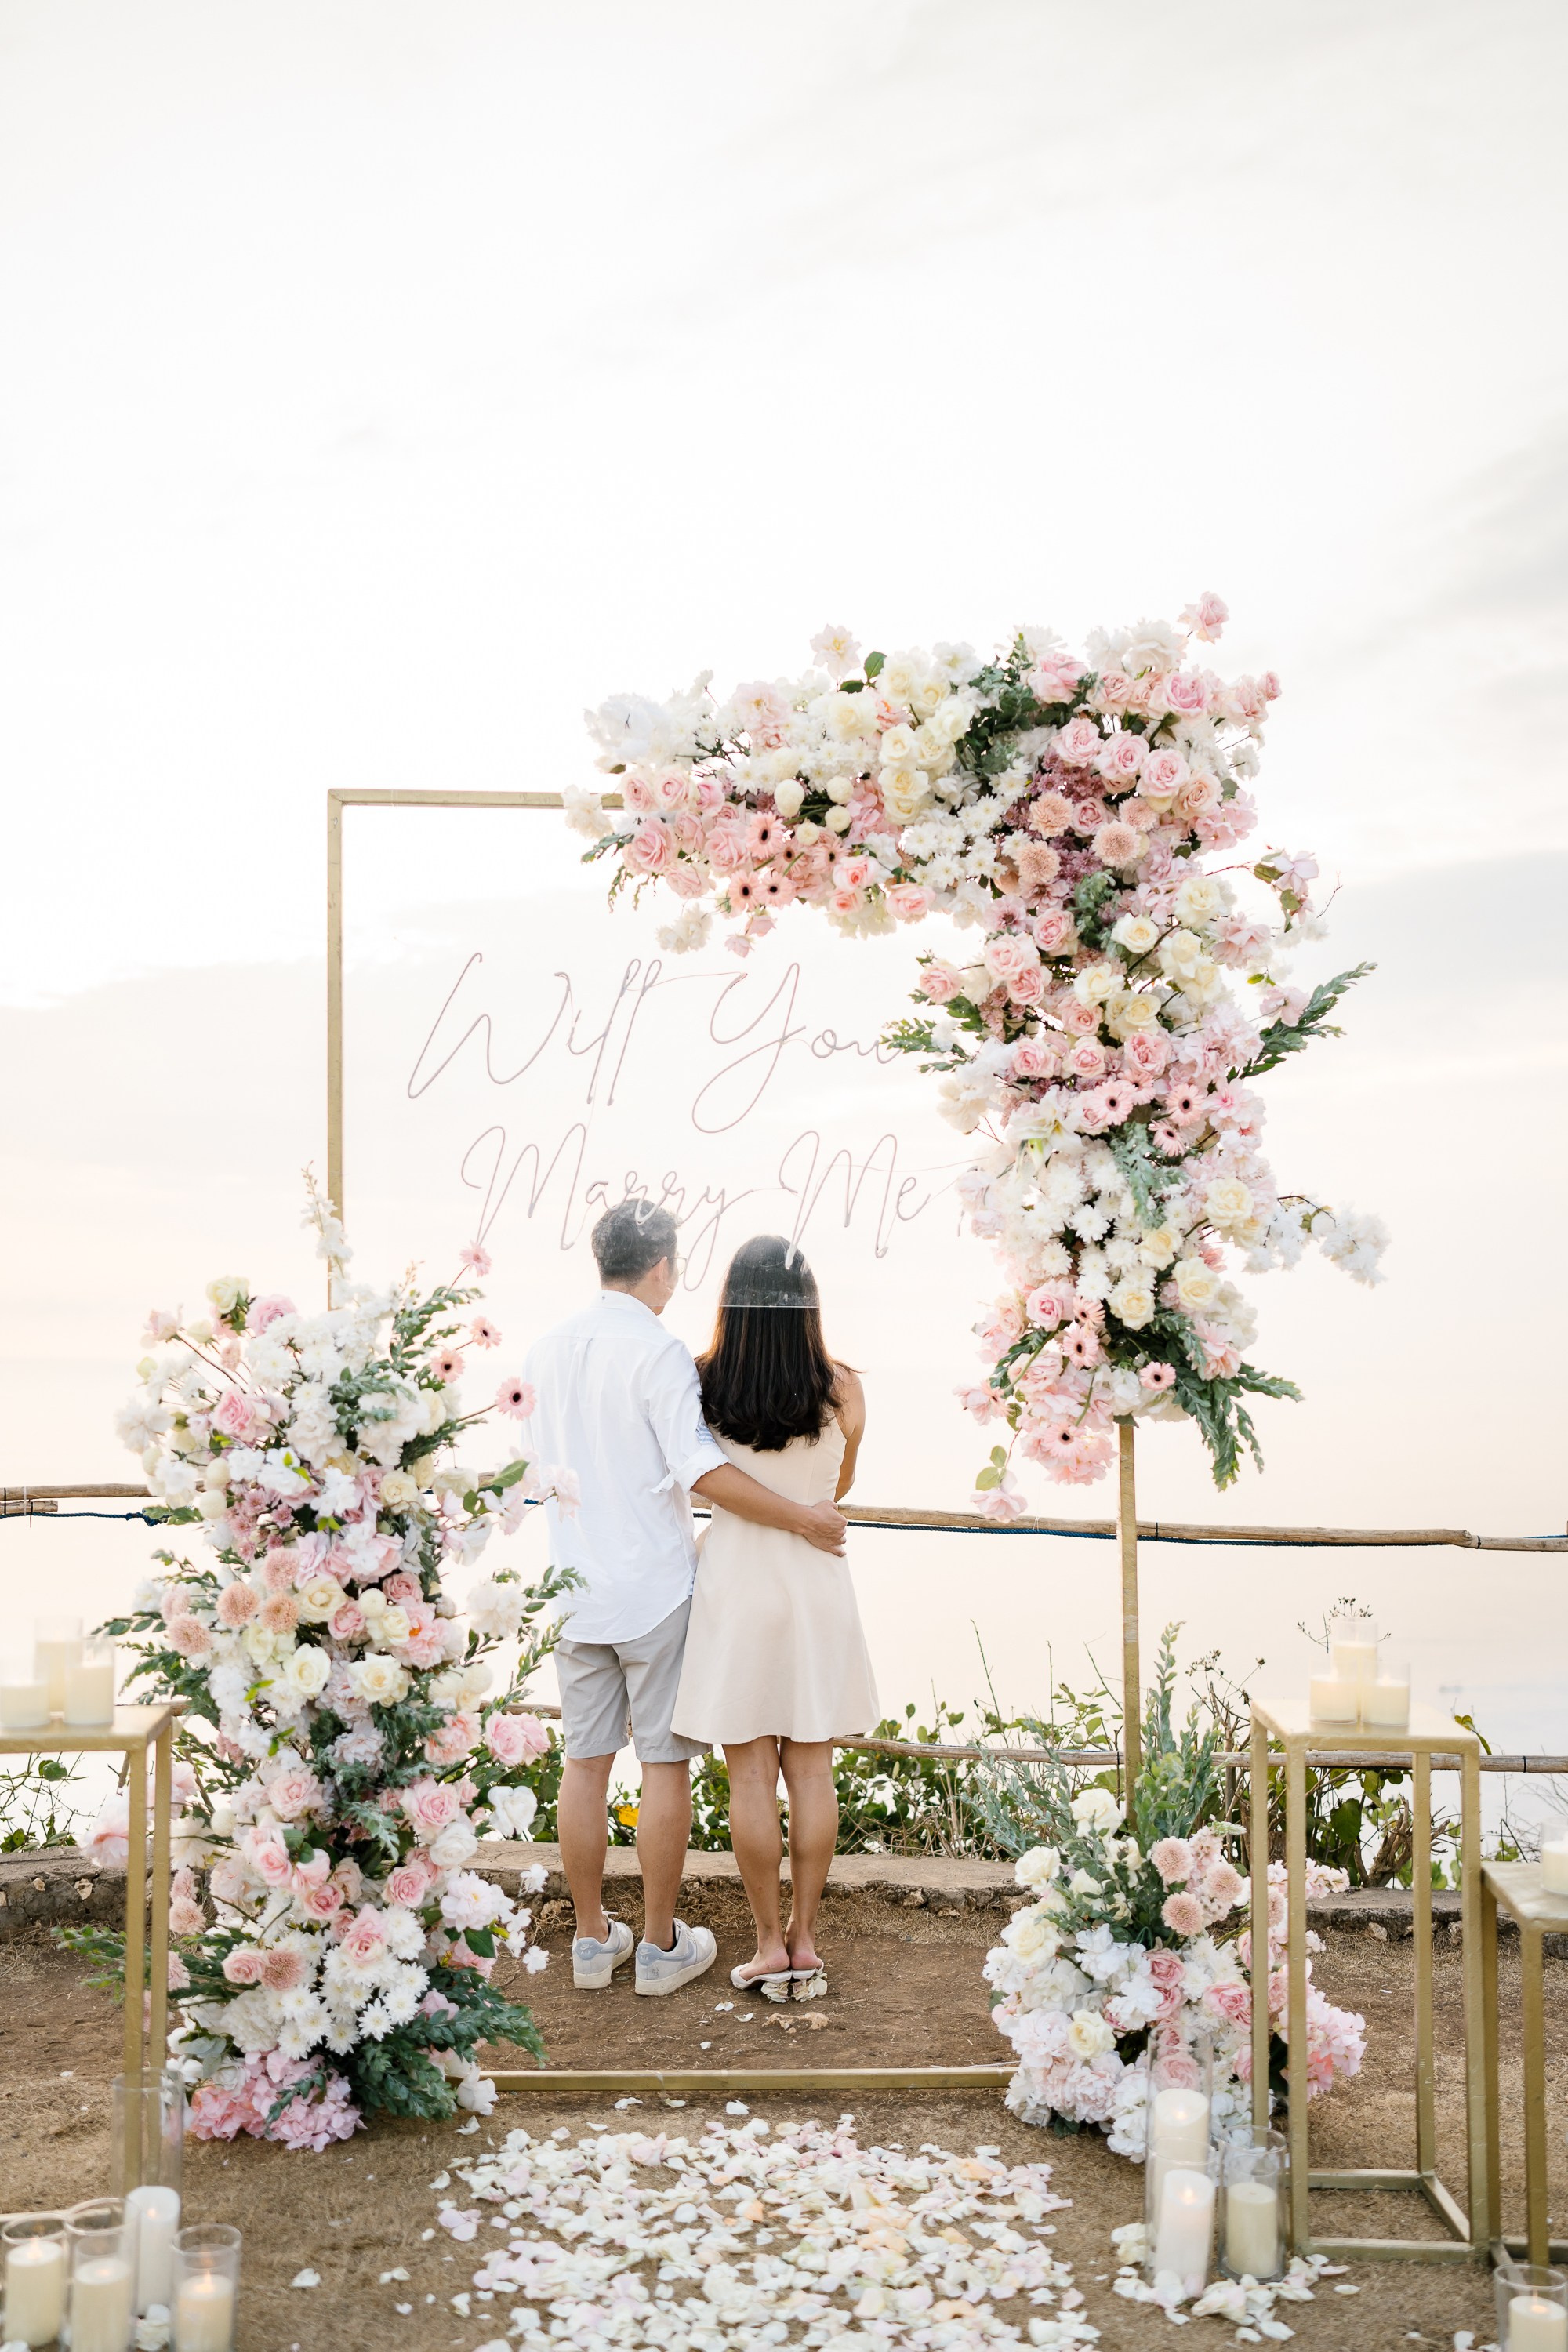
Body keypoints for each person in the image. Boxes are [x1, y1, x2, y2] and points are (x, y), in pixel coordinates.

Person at [524, 1200, 848, 1998]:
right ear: (662, 1265)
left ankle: (593, 1940)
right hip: (656, 1587)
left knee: (583, 1765)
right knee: (663, 1767)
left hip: (575, 1586)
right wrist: (806, 1517)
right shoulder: (660, 1354)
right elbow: (701, 1472)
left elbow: (536, 1463)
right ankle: (663, 1944)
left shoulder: (545, 1350)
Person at [670, 1235, 877, 1994]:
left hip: (736, 1586)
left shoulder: (700, 1383)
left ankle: (765, 1942)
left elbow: (700, 1480)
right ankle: (806, 1939)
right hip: (816, 1586)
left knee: (749, 1776)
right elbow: (839, 1486)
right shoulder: (843, 1386)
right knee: (812, 1769)